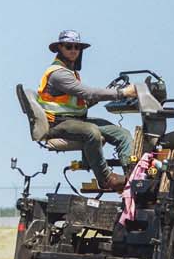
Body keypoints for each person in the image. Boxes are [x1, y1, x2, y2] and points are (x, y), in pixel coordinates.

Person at [37, 30, 137, 192]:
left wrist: (107, 94)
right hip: (57, 123)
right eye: (69, 46)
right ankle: (106, 179)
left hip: (76, 120)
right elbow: (87, 93)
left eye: (77, 47)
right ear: (60, 48)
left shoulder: (71, 72)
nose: (73, 50)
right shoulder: (58, 74)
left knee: (122, 134)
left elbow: (82, 101)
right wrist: (121, 93)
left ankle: (132, 178)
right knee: (92, 132)